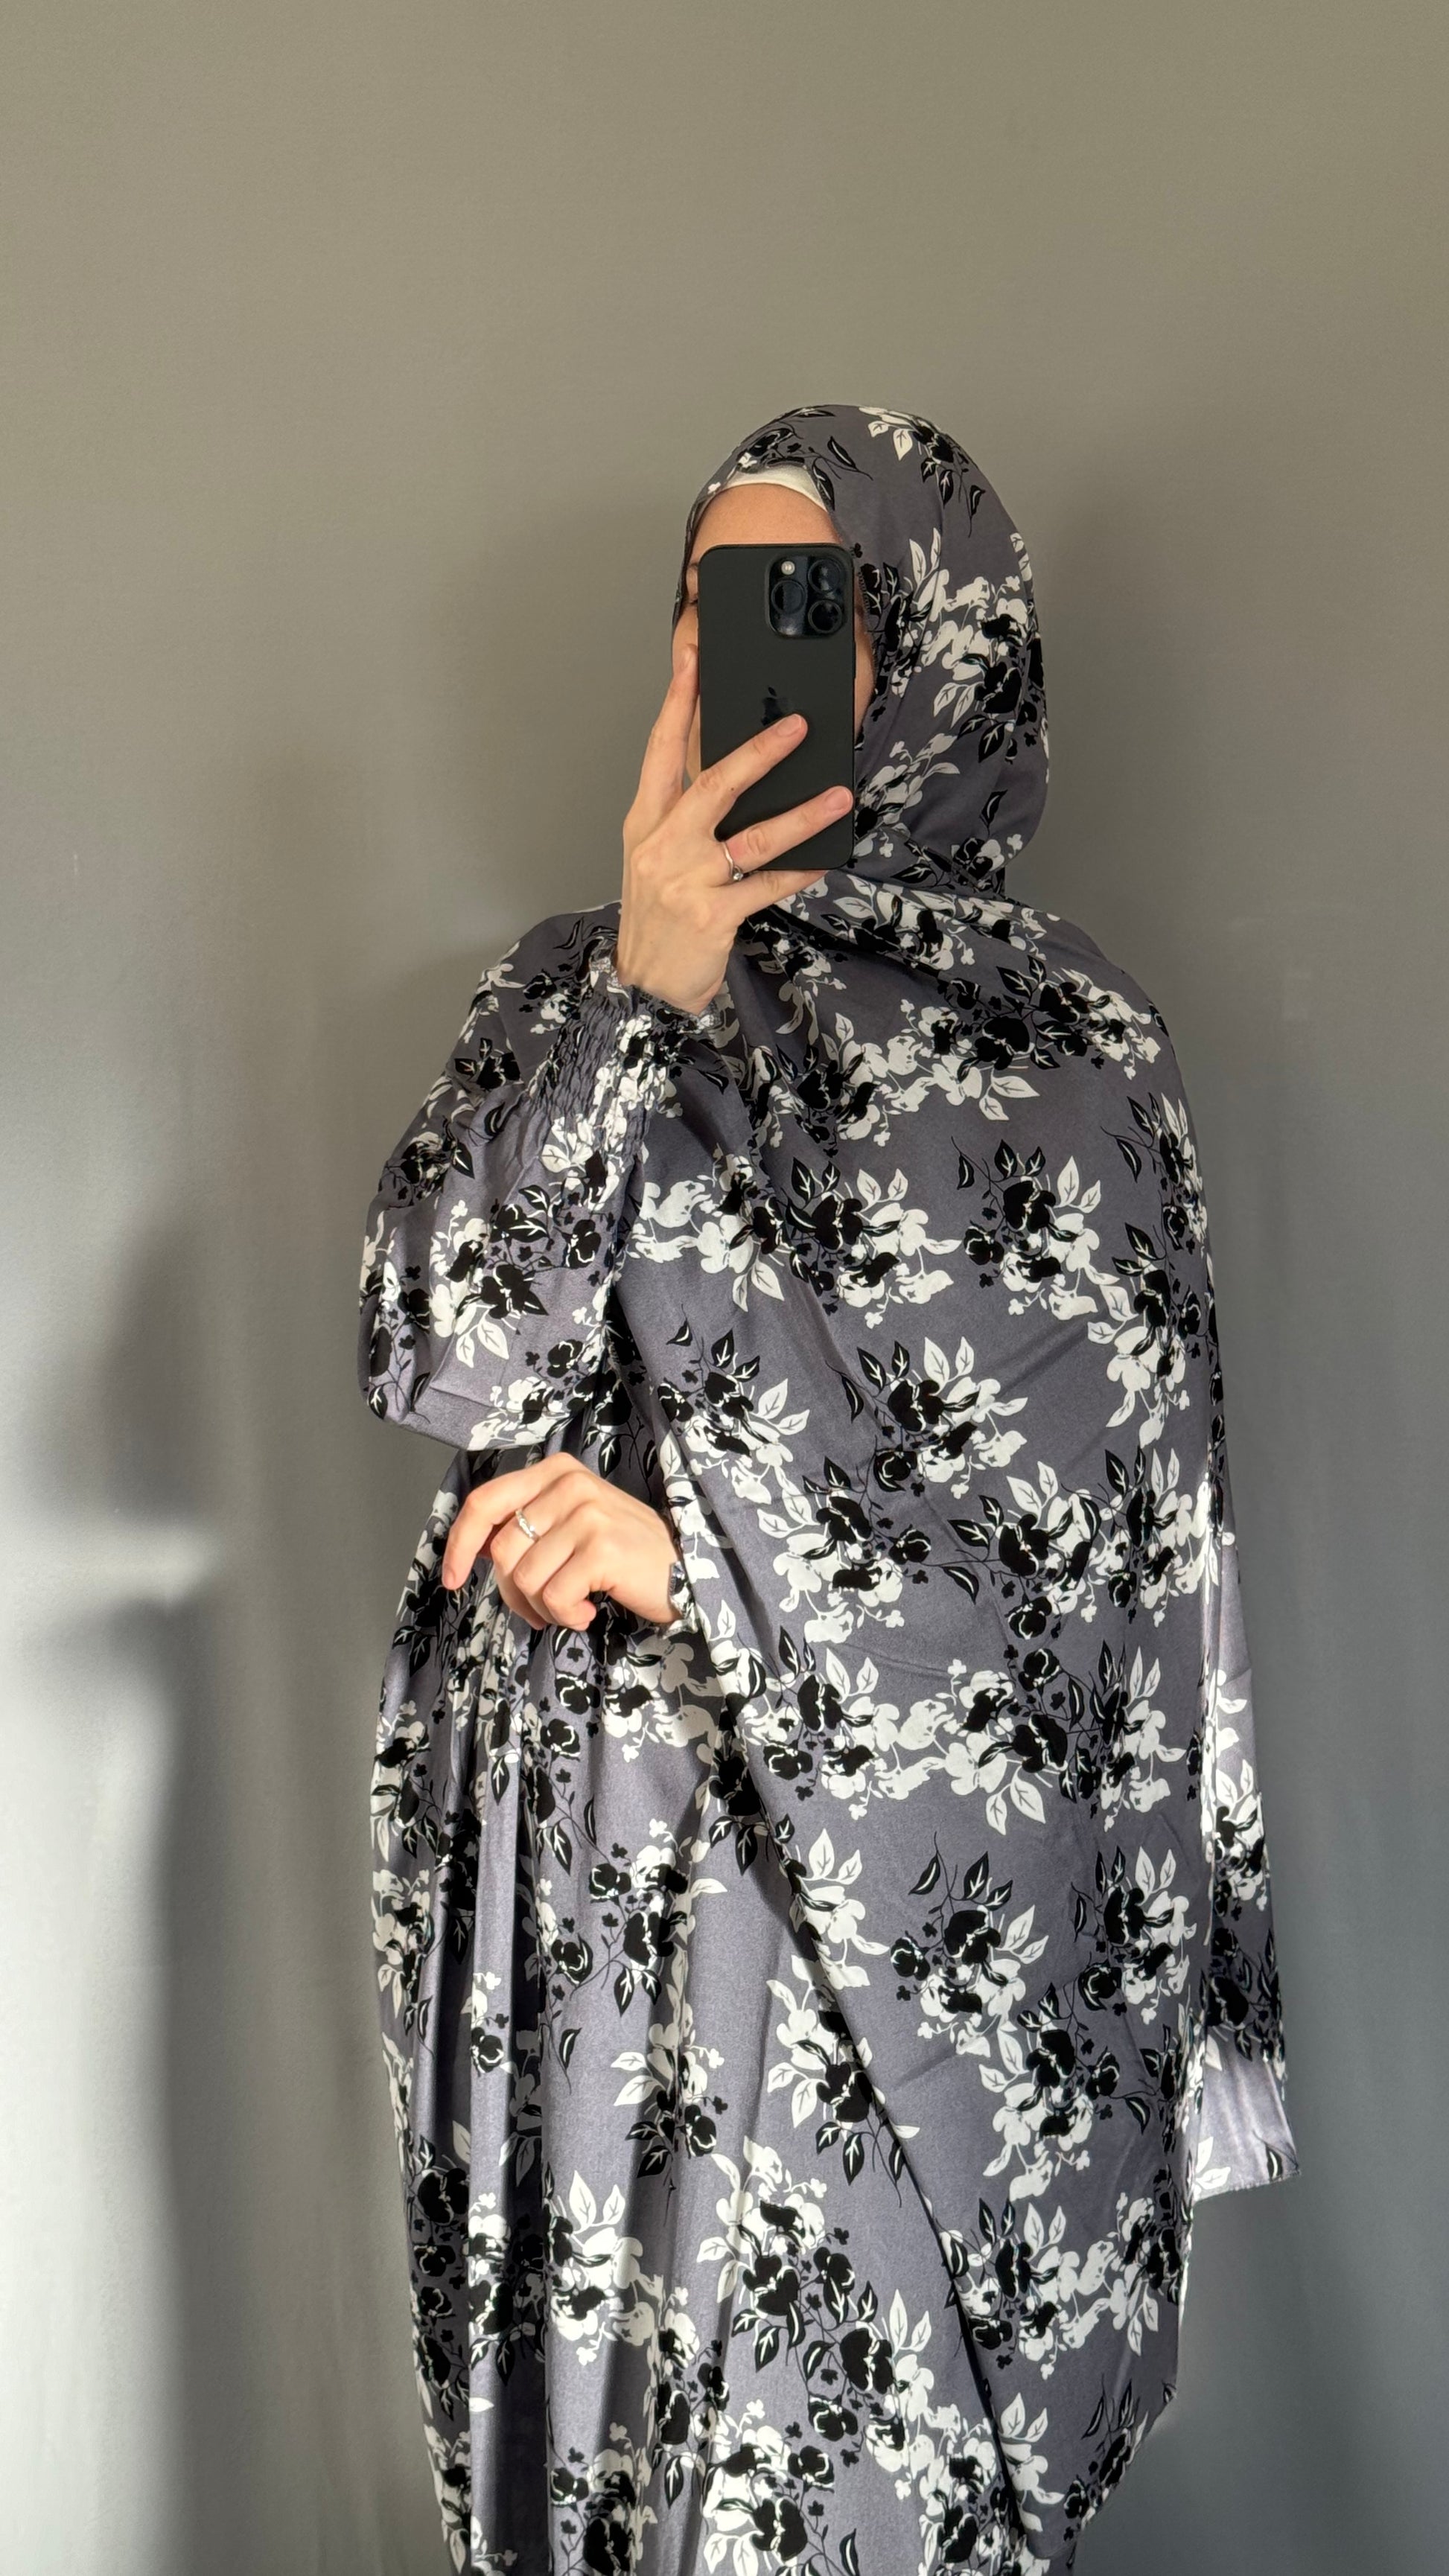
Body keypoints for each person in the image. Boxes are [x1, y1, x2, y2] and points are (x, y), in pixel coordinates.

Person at [358, 404, 1296, 2576]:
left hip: (876, 1963)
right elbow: (438, 1347)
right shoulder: (562, 999)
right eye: (706, 606)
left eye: (805, 604)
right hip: (607, 1903)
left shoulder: (1075, 1061)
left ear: (940, 648)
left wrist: (688, 1551)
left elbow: (1098, 1601)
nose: (736, 655)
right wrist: (645, 985)